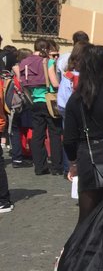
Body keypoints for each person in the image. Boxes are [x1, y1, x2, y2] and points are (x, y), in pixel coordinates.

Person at [62, 44, 103, 221]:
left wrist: (73, 162)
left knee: (86, 218)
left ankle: (79, 248)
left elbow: (69, 139)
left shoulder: (76, 100)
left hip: (88, 160)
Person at [15, 38, 62, 175]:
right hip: (49, 100)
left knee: (38, 134)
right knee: (54, 133)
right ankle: (56, 166)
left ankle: (40, 167)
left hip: (34, 100)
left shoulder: (24, 62)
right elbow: (55, 83)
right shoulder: (47, 61)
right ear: (46, 49)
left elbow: (21, 81)